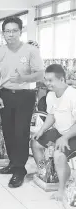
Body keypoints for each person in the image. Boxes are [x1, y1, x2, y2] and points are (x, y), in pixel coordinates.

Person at [0, 17, 44, 188]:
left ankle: (20, 169)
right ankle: (13, 163)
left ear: (20, 31)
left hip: (25, 95)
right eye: (7, 31)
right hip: (5, 95)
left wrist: (24, 78)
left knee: (20, 132)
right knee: (7, 132)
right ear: (3, 33)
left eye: (14, 30)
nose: (11, 34)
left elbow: (40, 75)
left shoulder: (31, 50)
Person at [31, 64, 76, 201]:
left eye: (50, 80)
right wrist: (41, 130)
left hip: (73, 134)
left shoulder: (73, 95)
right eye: (46, 80)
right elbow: (51, 116)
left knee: (58, 154)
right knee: (35, 143)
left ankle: (61, 190)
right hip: (59, 131)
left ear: (62, 79)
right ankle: (44, 173)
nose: (47, 83)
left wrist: (65, 137)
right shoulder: (50, 95)